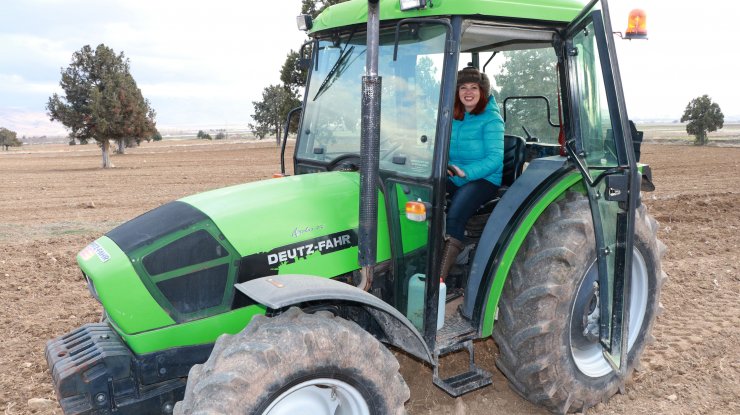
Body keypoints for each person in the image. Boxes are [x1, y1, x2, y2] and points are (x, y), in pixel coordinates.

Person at [440, 67, 504, 282]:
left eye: (474, 87)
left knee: (456, 212)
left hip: (484, 178)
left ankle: (440, 277)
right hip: (454, 174)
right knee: (421, 197)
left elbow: (495, 159)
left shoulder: (491, 119)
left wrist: (465, 172)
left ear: (482, 91)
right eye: (463, 87)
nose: (468, 92)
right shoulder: (453, 116)